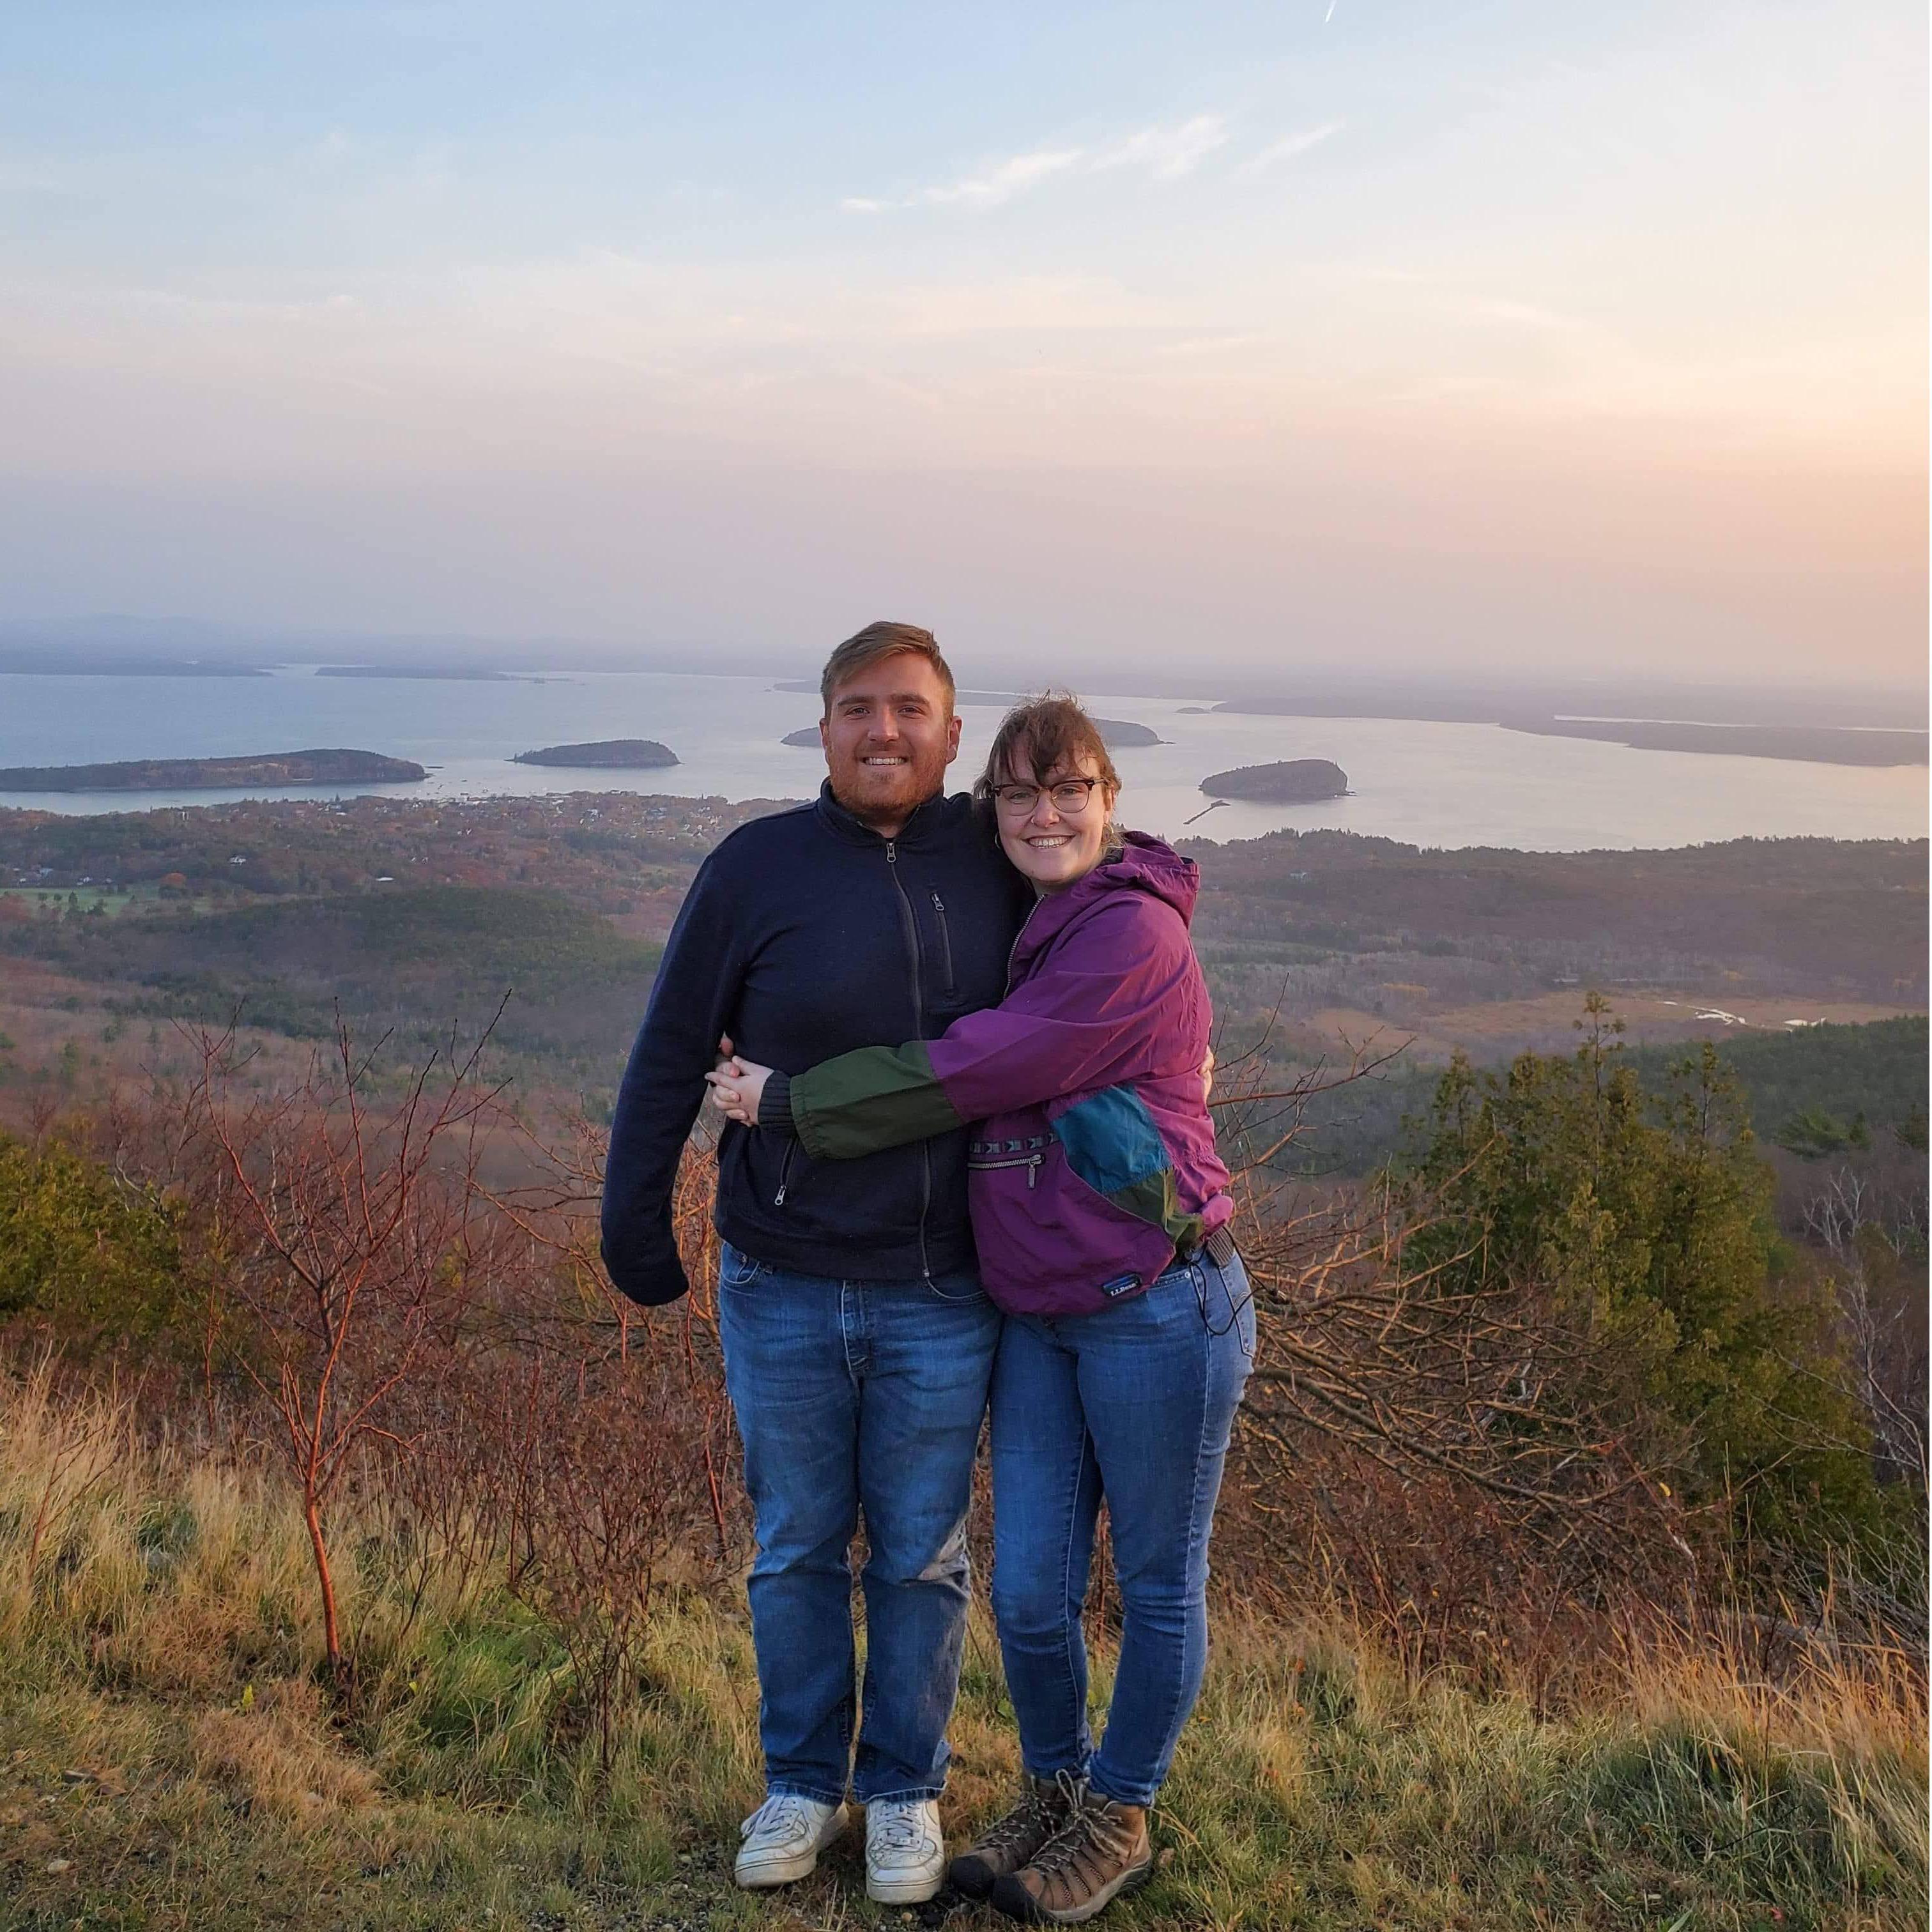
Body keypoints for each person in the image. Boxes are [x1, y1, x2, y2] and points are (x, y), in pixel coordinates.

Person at [709, 694, 1254, 1926]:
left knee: (1157, 1582)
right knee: (1025, 1592)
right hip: (1038, 1314)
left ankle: (1116, 1812)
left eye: (1070, 791)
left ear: (1112, 801)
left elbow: (975, 1068)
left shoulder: (1126, 939)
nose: (1046, 813)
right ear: (991, 810)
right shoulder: (1036, 915)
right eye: (1019, 794)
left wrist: (792, 1102)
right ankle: (1053, 1791)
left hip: (1159, 1307)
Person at [600, 622, 1031, 1905]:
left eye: (909, 708)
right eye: (857, 708)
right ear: (825, 729)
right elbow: (672, 1048)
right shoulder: (756, 869)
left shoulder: (1003, 865)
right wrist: (637, 1228)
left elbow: (1094, 987)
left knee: (918, 1553)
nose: (882, 729)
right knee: (794, 1543)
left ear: (954, 736)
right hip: (781, 1276)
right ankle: (800, 1782)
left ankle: (904, 1792)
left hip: (947, 1282)